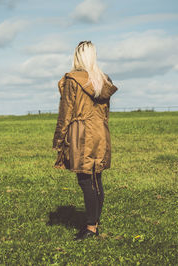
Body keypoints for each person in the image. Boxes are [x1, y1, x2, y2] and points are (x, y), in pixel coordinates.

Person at [52, 41, 118, 240]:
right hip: (100, 130)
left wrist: (59, 140)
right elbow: (106, 112)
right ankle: (94, 223)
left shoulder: (72, 80)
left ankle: (90, 227)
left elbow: (66, 112)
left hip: (81, 132)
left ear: (77, 57)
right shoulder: (104, 80)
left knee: (85, 179)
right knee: (96, 178)